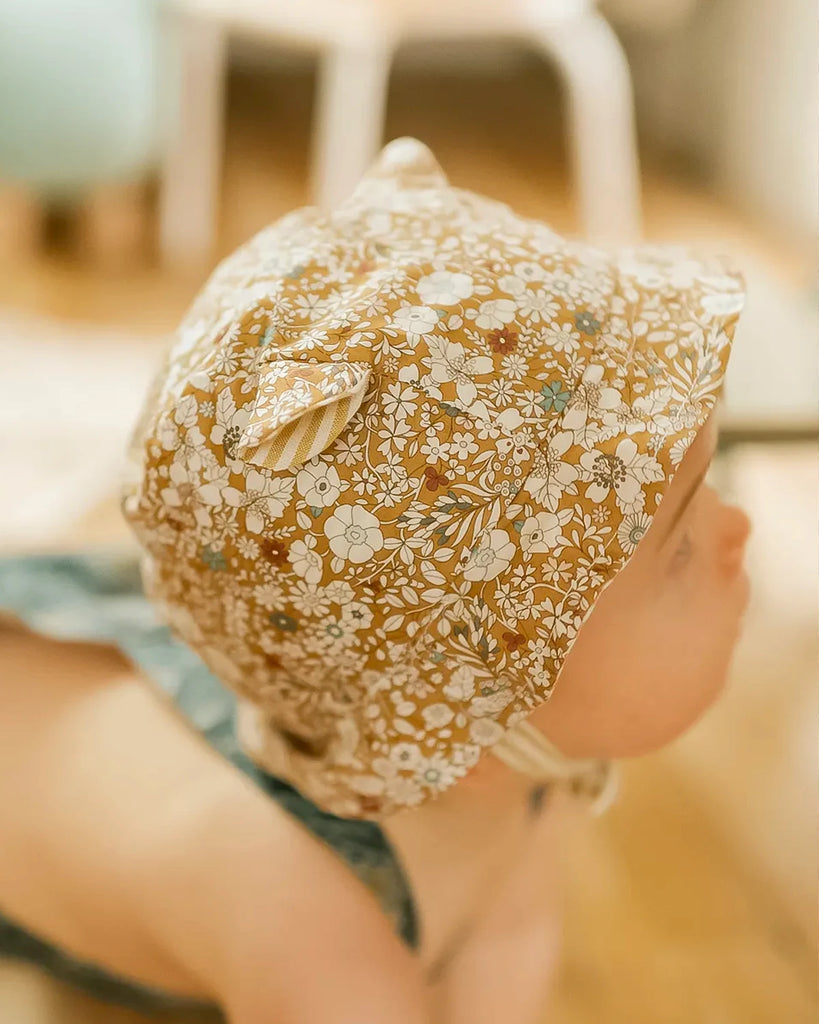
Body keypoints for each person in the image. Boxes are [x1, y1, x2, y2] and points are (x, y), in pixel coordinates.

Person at [0, 138, 750, 1023]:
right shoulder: (311, 928)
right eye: (677, 546)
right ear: (464, 714)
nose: (737, 530)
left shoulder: (508, 744)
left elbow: (507, 933)